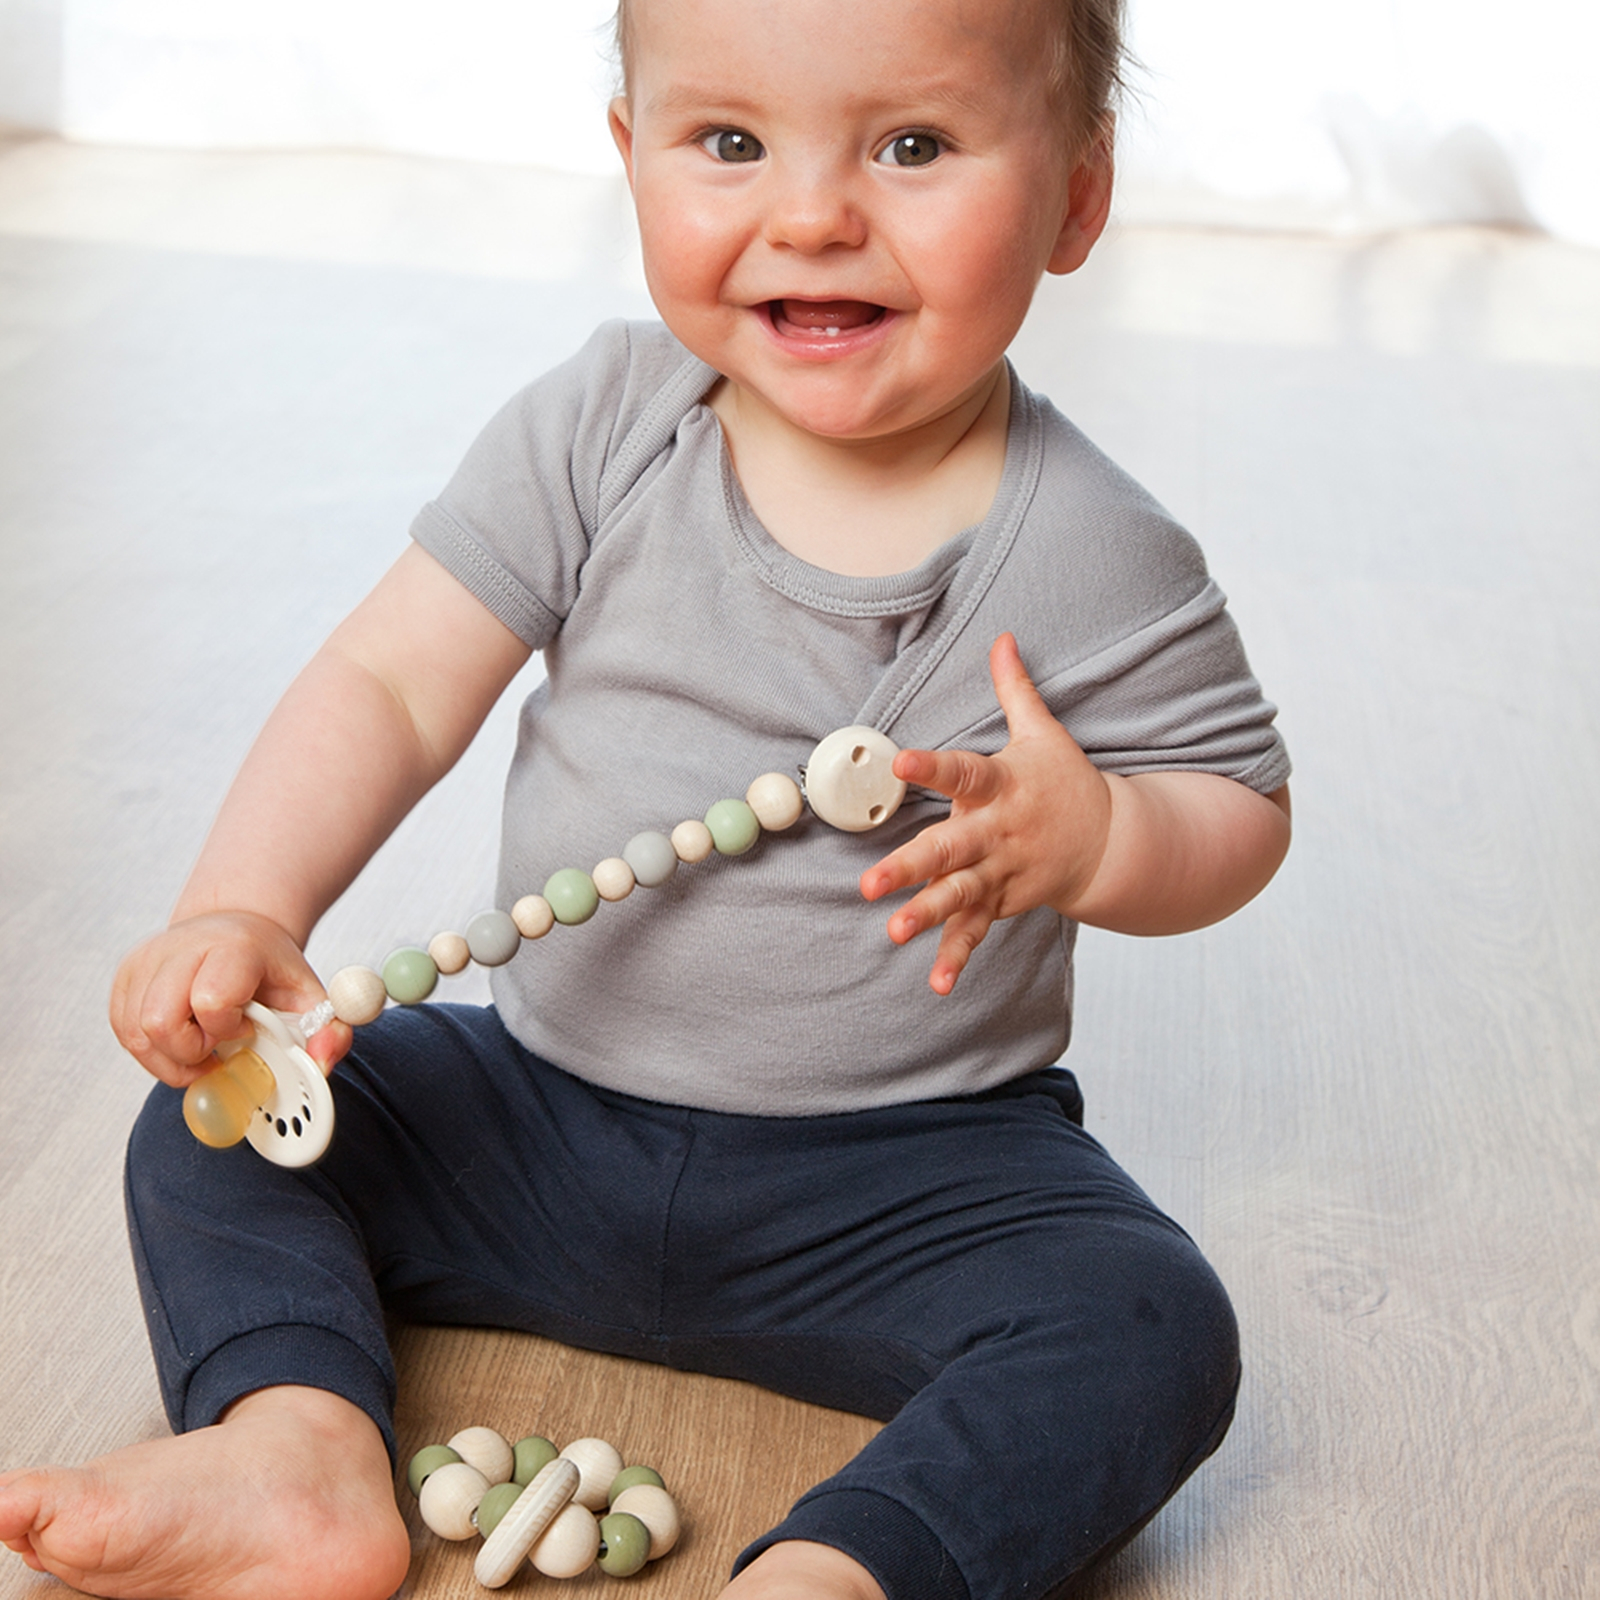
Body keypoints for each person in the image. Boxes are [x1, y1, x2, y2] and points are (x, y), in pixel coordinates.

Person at [0, 0, 1293, 1595]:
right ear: (632, 158)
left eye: (913, 146)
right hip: (544, 1110)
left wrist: (1108, 838)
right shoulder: (610, 427)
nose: (812, 214)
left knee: (1152, 1323)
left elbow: (1236, 807)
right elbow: (393, 684)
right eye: (731, 144)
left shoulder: (1100, 547)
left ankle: (843, 1569)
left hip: (906, 1175)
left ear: (1077, 194)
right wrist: (245, 903)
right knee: (220, 1130)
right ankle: (296, 1449)